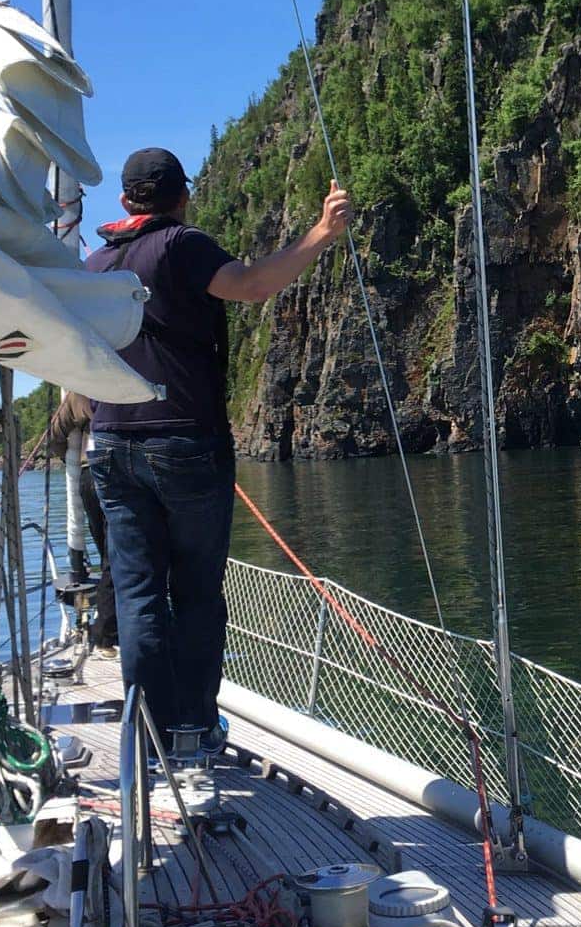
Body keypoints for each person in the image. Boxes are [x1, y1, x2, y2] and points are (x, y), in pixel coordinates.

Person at [84, 147, 350, 751]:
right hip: (183, 441)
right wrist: (323, 231)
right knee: (197, 591)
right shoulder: (182, 245)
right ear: (183, 195)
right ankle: (193, 729)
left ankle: (147, 734)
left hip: (111, 444)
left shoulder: (95, 265)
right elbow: (252, 286)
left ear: (126, 202)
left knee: (138, 593)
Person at [25, 390, 117, 654]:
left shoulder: (84, 387)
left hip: (90, 472)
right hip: (112, 472)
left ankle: (108, 631)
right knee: (118, 558)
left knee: (110, 557)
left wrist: (70, 459)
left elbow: (56, 434)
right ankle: (107, 633)